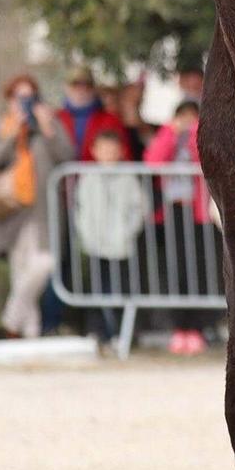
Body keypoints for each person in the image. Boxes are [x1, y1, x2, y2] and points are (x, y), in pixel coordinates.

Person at [0, 74, 74, 339]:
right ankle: (28, 334)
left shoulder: (49, 125)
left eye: (29, 96)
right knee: (20, 272)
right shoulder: (4, 128)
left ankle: (10, 320)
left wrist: (48, 129)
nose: (24, 102)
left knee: (44, 263)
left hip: (43, 211)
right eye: (18, 97)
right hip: (11, 212)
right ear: (9, 100)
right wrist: (11, 136)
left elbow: (67, 157)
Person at [144, 99, 220, 353]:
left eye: (193, 117)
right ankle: (179, 328)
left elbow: (206, 157)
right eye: (183, 117)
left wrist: (196, 132)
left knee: (199, 269)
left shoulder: (205, 136)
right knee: (175, 271)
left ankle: (199, 328)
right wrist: (170, 133)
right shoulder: (167, 134)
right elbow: (153, 162)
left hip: (198, 213)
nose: (187, 121)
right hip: (172, 212)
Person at [74, 125, 148, 346]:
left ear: (120, 151)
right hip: (96, 245)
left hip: (122, 246)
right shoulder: (87, 179)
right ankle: (97, 332)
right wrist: (88, 236)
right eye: (103, 149)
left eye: (112, 149)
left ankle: (123, 334)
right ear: (94, 151)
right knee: (96, 290)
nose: (107, 154)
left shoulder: (129, 178)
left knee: (122, 290)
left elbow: (139, 209)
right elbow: (81, 211)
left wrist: (127, 233)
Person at [56, 65, 126, 162]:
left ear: (93, 89)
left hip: (99, 176)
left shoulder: (111, 120)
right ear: (66, 88)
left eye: (87, 85)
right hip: (65, 176)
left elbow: (124, 154)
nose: (81, 90)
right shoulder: (56, 118)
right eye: (75, 85)